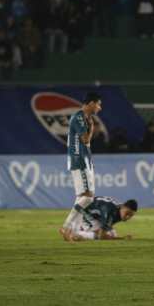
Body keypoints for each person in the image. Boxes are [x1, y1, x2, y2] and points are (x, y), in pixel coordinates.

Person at [59, 92, 103, 236]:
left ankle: (73, 231)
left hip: (84, 158)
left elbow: (87, 142)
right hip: (79, 159)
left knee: (82, 197)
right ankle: (66, 227)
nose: (99, 107)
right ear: (91, 103)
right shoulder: (78, 117)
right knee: (88, 197)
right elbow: (85, 139)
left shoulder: (85, 118)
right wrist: (91, 128)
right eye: (98, 104)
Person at [59, 196, 137, 242]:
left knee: (112, 234)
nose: (128, 217)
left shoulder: (119, 209)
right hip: (84, 212)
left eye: (131, 215)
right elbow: (101, 235)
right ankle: (73, 233)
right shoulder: (111, 211)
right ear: (123, 206)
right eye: (127, 213)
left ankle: (76, 228)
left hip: (94, 215)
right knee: (100, 236)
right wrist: (122, 238)